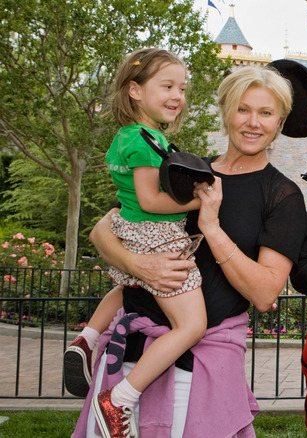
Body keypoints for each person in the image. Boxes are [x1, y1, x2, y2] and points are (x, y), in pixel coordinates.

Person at [72, 65, 306, 438]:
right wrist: (138, 264)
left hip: (198, 366)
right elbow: (104, 229)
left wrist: (211, 228)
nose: (253, 123)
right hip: (130, 353)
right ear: (226, 111)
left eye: (266, 113)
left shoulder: (282, 195)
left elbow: (263, 293)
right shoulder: (187, 170)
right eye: (243, 109)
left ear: (279, 121)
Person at [63, 48, 210, 437]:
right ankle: (119, 401)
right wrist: (202, 200)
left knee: (128, 284)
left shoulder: (129, 136)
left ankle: (86, 339)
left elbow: (131, 199)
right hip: (156, 234)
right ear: (135, 90)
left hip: (130, 227)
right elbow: (149, 200)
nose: (177, 95)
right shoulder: (145, 141)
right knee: (192, 324)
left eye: (181, 87)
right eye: (166, 86)